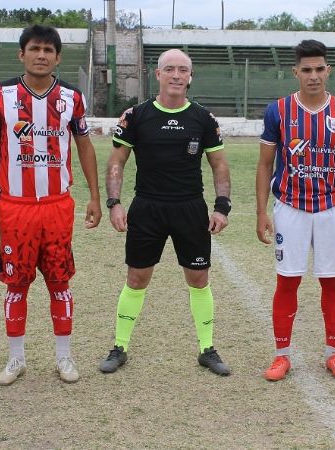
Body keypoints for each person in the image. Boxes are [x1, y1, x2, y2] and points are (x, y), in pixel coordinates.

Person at [0, 25, 101, 385]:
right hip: (16, 206)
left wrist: (95, 196)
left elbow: (84, 146)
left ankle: (64, 356)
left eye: (48, 50)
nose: (41, 55)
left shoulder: (71, 97)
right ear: (21, 54)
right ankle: (16, 359)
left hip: (57, 205)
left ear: (58, 57)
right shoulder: (1, 95)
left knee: (59, 281)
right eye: (35, 49)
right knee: (16, 284)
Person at [97, 49, 232, 376]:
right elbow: (117, 162)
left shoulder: (203, 118)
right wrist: (114, 203)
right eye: (169, 69)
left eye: (183, 70)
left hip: (190, 208)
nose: (176, 75)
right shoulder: (136, 116)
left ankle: (207, 349)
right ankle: (119, 347)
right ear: (157, 75)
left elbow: (219, 165)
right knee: (136, 278)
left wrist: (221, 206)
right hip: (147, 208)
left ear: (190, 76)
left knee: (198, 278)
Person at [256, 39, 335, 382]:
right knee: (287, 281)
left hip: (332, 207)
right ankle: (281, 356)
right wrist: (261, 211)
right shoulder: (278, 111)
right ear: (295, 72)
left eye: (319, 69)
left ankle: (333, 353)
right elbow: (264, 165)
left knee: (332, 282)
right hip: (289, 206)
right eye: (306, 70)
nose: (313, 75)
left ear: (328, 70)